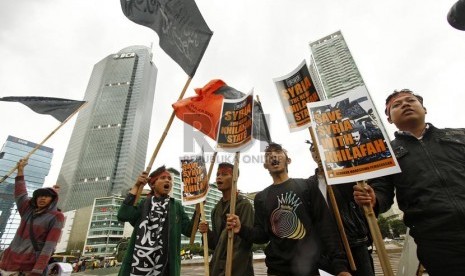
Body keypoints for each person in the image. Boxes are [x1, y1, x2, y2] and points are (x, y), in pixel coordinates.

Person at [353, 89, 465, 276]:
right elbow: (382, 193)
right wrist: (373, 199)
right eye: (396, 105)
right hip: (437, 242)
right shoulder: (385, 154)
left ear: (424, 108)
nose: (405, 104)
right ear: (389, 119)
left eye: (410, 100)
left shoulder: (459, 136)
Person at [227, 143, 351, 276]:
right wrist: (241, 229)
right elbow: (262, 235)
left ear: (288, 160)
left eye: (278, 152)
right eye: (268, 155)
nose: (273, 155)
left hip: (308, 267)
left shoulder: (307, 186)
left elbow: (325, 225)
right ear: (265, 165)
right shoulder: (261, 198)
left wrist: (340, 266)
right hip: (276, 269)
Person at [309, 142, 374, 276]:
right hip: (329, 246)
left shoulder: (344, 175)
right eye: (313, 150)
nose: (317, 153)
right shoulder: (310, 183)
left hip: (353, 241)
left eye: (319, 147)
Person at [117, 166, 194, 276]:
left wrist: (198, 211)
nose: (167, 180)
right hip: (139, 265)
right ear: (152, 184)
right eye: (162, 177)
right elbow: (123, 215)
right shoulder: (143, 204)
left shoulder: (176, 206)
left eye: (169, 178)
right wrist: (137, 185)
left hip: (167, 268)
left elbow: (189, 231)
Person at [0, 159, 64, 276]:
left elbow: (49, 246)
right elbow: (20, 193)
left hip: (27, 269)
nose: (42, 198)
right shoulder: (27, 211)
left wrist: (37, 271)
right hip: (6, 264)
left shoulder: (56, 217)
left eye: (46, 196)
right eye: (39, 196)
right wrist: (20, 170)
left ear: (53, 199)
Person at [198, 162, 254, 276]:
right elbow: (216, 244)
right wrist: (206, 233)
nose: (219, 177)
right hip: (218, 269)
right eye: (218, 174)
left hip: (238, 270)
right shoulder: (216, 209)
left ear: (235, 178)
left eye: (224, 174)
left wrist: (226, 271)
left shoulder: (243, 205)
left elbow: (243, 245)